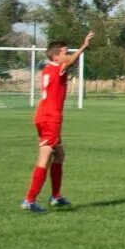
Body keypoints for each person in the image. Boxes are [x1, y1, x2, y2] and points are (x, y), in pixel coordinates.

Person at [20, 31, 92, 212]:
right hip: (50, 118)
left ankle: (56, 196)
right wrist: (83, 47)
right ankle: (29, 200)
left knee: (59, 154)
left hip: (44, 115)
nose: (67, 55)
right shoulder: (56, 69)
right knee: (45, 157)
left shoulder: (47, 69)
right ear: (55, 56)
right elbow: (70, 63)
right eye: (64, 52)